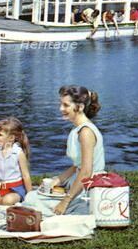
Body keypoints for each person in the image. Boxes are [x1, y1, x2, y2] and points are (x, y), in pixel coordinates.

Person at [22, 85, 105, 216]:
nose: (61, 109)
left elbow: (86, 172)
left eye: (66, 105)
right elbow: (77, 166)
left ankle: (76, 207)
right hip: (78, 182)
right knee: (33, 196)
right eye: (61, 104)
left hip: (88, 187)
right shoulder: (77, 130)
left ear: (80, 107)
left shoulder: (86, 132)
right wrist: (58, 180)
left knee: (31, 201)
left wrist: (66, 201)